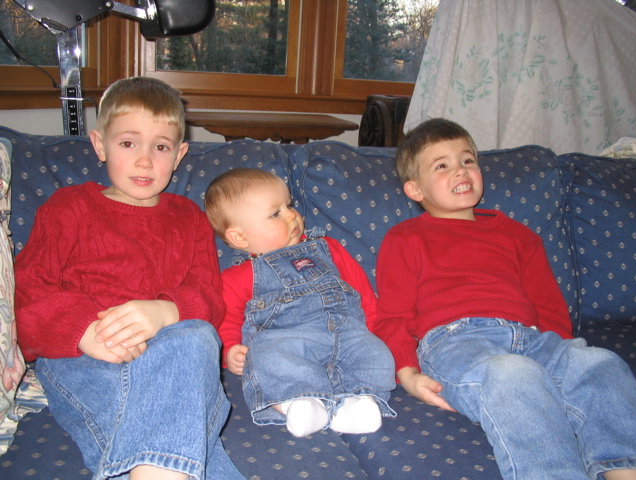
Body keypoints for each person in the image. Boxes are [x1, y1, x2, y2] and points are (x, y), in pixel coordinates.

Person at [373, 118, 636, 480]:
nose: (460, 171)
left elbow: (549, 307)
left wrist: (561, 360)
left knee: (601, 364)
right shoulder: (405, 238)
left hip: (532, 339)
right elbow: (394, 315)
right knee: (515, 374)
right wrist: (408, 375)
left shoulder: (518, 236)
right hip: (456, 343)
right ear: (415, 190)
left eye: (467, 160)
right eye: (442, 166)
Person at [15, 77, 244, 480]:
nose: (144, 161)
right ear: (100, 145)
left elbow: (208, 297)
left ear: (179, 155)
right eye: (127, 143)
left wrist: (165, 311)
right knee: (182, 412)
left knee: (196, 338)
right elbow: (27, 292)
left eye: (161, 147)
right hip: (83, 359)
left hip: (172, 357)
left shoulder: (189, 217)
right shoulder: (68, 207)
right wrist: (82, 330)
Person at [204, 168, 396, 438]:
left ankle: (359, 403)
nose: (292, 215)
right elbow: (226, 319)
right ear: (240, 237)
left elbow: (362, 295)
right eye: (275, 213)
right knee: (267, 358)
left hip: (348, 333)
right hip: (286, 340)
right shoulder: (237, 277)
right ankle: (300, 403)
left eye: (289, 205)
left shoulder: (328, 248)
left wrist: (375, 333)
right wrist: (229, 350)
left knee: (378, 356)